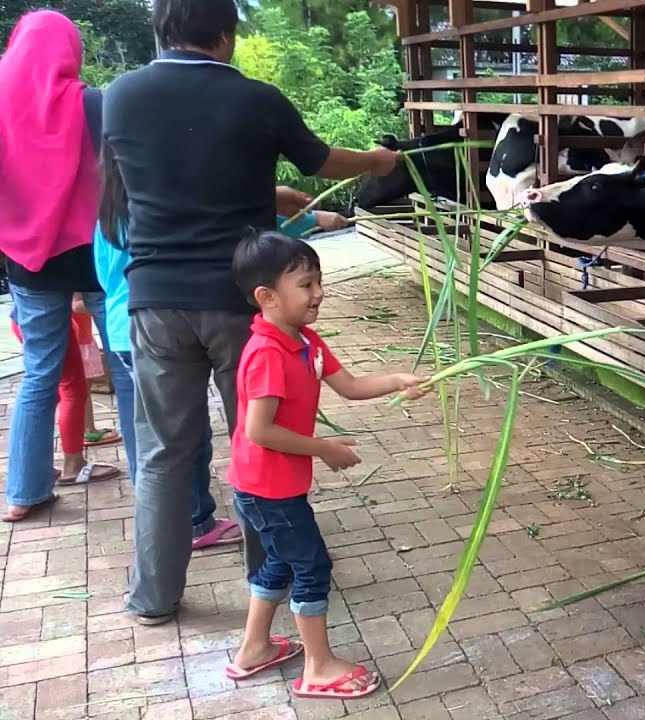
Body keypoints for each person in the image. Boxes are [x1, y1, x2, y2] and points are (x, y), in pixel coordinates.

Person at [104, 0, 398, 625]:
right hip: (244, 302)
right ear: (224, 34)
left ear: (162, 28)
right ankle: (282, 574)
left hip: (155, 301)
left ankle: (153, 596)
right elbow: (323, 162)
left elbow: (166, 182)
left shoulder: (120, 96)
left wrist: (271, 197)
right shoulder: (256, 98)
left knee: (162, 452)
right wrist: (377, 161)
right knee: (258, 446)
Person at [93, 146, 351, 550]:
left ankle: (188, 525)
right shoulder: (268, 349)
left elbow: (103, 276)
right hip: (179, 319)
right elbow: (256, 246)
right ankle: (235, 526)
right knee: (199, 434)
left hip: (128, 328)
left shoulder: (110, 218)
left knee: (160, 439)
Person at [224, 232, 421, 698]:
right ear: (266, 297)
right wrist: (323, 447)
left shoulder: (304, 340)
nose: (318, 293)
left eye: (319, 281)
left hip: (275, 485)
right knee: (311, 566)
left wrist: (396, 380)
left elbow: (348, 385)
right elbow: (260, 430)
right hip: (265, 487)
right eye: (306, 285)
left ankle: (254, 648)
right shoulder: (268, 353)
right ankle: (318, 666)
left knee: (281, 559)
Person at [0, 10, 131, 522]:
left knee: (38, 376)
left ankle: (24, 491)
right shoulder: (93, 104)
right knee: (124, 367)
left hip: (27, 262)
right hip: (97, 258)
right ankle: (159, 492)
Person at [8, 298, 121, 486]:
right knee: (71, 389)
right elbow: (76, 301)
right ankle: (73, 465)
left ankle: (32, 471)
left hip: (24, 315)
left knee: (39, 389)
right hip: (50, 319)